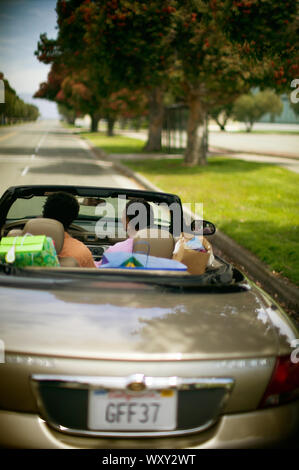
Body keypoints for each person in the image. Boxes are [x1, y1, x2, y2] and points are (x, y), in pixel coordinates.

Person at [42, 191, 95, 268]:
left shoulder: (22, 246)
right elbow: (93, 279)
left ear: (44, 213)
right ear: (74, 216)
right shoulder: (81, 252)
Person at [97, 199, 154, 263]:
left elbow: (97, 270)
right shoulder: (165, 250)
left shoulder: (114, 252)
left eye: (123, 216)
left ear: (127, 221)